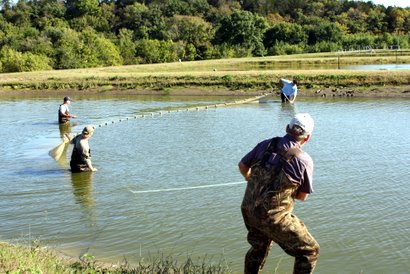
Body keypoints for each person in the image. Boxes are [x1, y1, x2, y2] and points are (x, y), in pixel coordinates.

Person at [238, 113, 319, 274]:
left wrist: (249, 178)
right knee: (309, 251)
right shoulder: (303, 160)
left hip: (249, 210)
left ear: (286, 128)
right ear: (307, 137)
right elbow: (302, 196)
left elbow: (242, 165)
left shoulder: (265, 144)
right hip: (274, 217)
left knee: (258, 248)